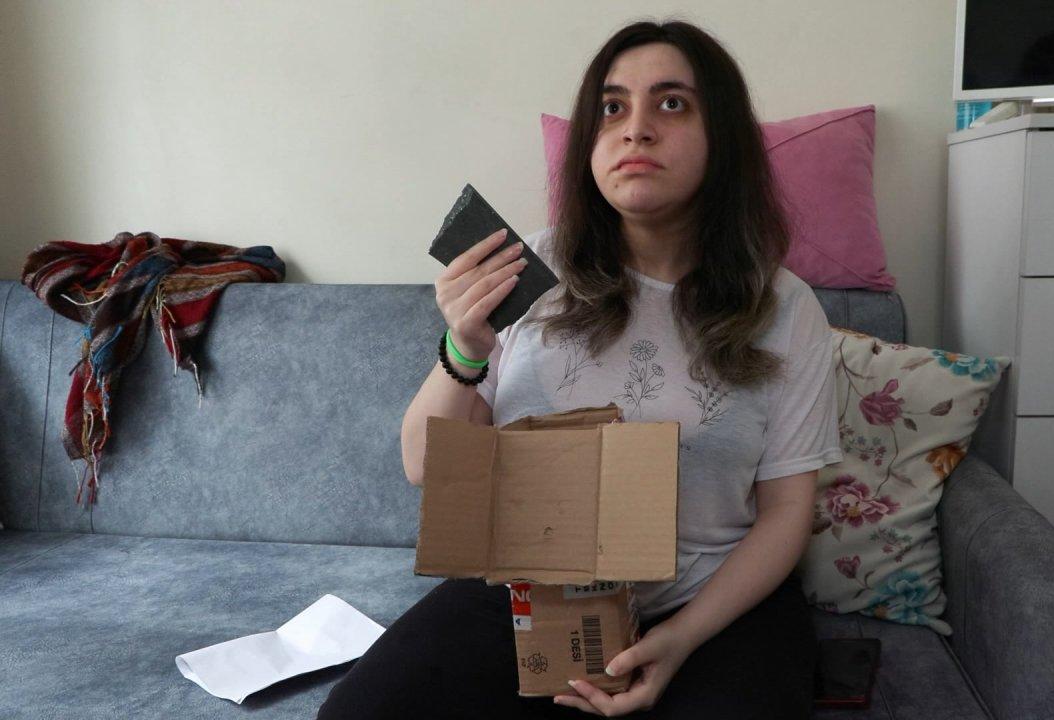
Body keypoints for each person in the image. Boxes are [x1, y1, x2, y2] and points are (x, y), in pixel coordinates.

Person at [317, 18, 841, 720]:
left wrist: (679, 640)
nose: (636, 130)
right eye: (612, 108)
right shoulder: (524, 271)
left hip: (711, 604)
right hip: (527, 590)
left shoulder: (784, 307)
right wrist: (465, 345)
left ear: (724, 137)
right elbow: (423, 466)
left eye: (672, 103)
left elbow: (786, 515)